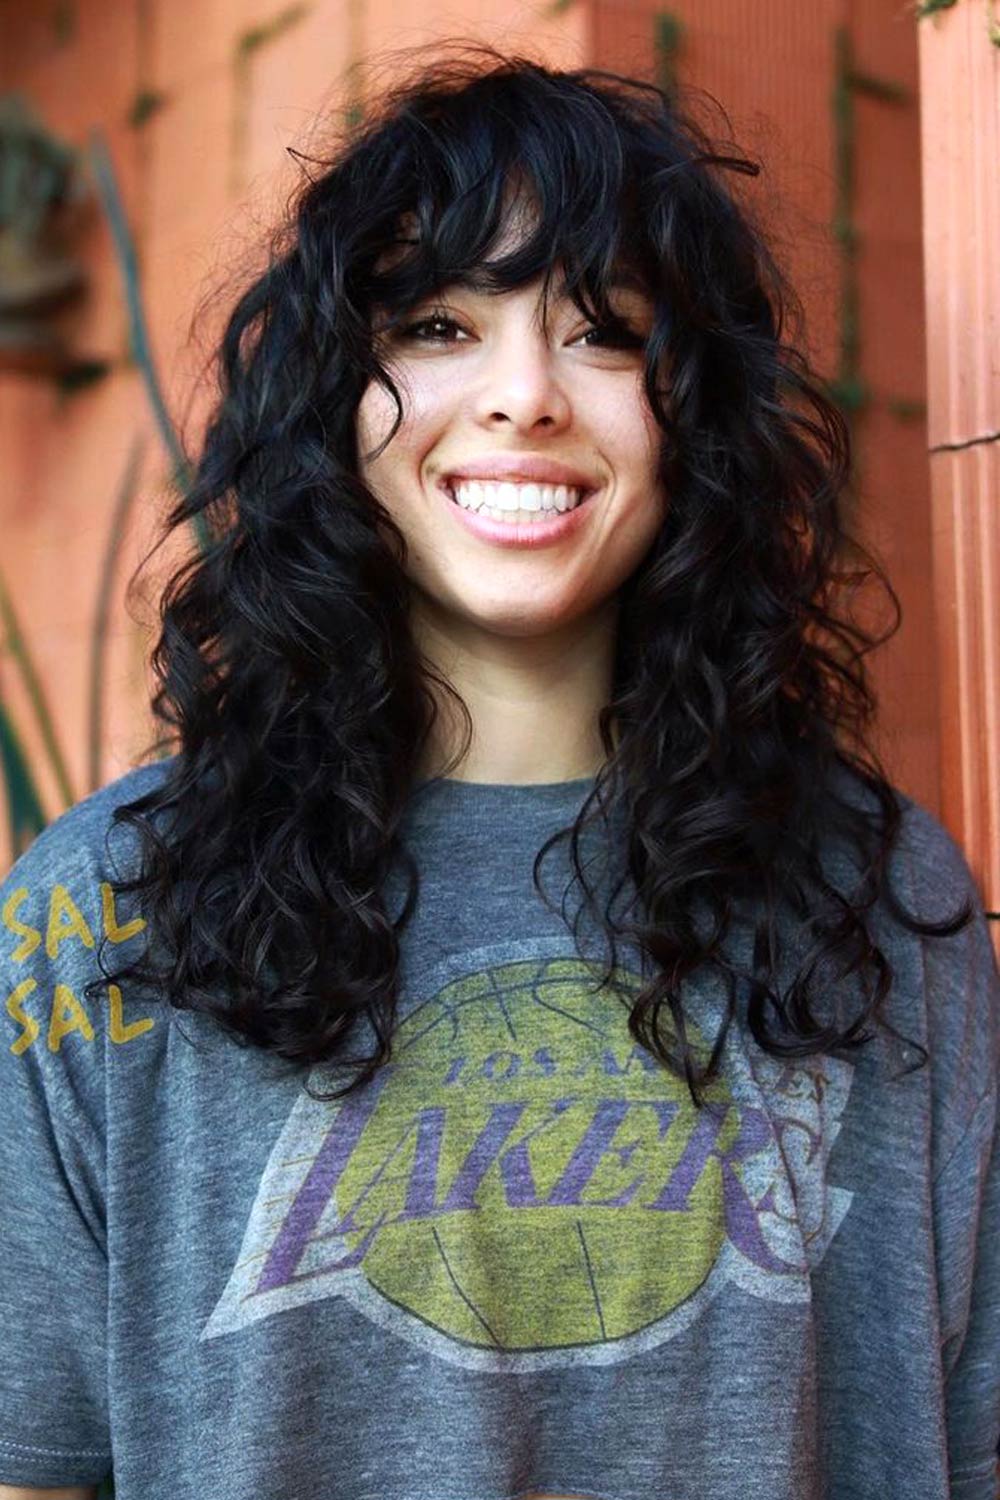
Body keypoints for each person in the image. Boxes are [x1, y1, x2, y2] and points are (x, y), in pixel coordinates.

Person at [1, 45, 998, 1500]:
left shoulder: (881, 895)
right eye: (439, 325)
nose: (526, 396)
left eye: (605, 331)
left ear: (694, 414)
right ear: (337, 399)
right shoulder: (101, 909)